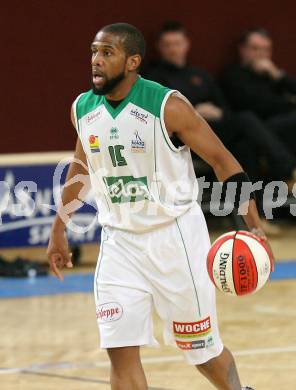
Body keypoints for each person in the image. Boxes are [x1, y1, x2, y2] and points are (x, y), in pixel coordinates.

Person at [47, 23, 268, 390]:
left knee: (202, 352)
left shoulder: (168, 106)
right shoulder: (82, 108)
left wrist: (254, 227)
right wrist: (59, 227)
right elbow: (82, 167)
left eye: (107, 53)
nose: (96, 61)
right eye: (93, 52)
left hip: (176, 239)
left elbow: (224, 162)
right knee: (120, 349)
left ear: (133, 61)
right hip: (119, 243)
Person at [146, 22, 296, 187]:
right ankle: (288, 169)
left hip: (216, 129)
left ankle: (252, 206)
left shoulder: (200, 75)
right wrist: (193, 112)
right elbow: (157, 113)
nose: (173, 49)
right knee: (246, 119)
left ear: (186, 44)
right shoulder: (153, 77)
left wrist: (219, 112)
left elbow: (224, 107)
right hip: (185, 135)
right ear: (159, 47)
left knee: (244, 144)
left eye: (177, 44)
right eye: (168, 45)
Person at [221, 27, 296, 156]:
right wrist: (289, 102)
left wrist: (278, 75)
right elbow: (257, 106)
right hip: (257, 128)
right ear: (243, 49)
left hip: (281, 122)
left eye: (266, 49)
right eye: (255, 49)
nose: (261, 54)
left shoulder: (272, 75)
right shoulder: (234, 75)